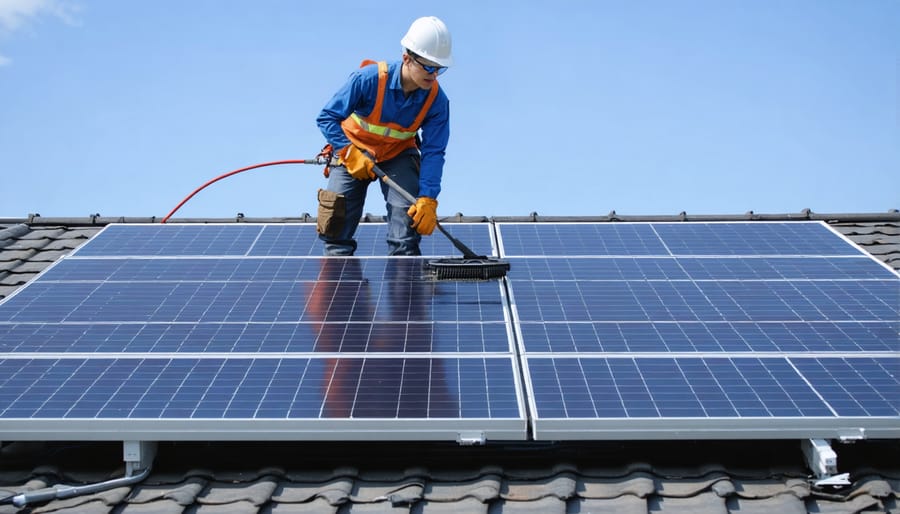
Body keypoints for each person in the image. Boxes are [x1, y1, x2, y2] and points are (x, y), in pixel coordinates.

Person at [315, 16, 452, 256]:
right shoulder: (368, 80)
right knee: (336, 227)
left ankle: (404, 278)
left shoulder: (437, 101)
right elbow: (327, 117)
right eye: (428, 67)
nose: (434, 75)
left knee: (406, 226)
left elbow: (434, 152)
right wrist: (347, 151)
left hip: (398, 154)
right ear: (407, 58)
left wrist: (428, 198)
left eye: (439, 68)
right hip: (353, 152)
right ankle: (337, 277)